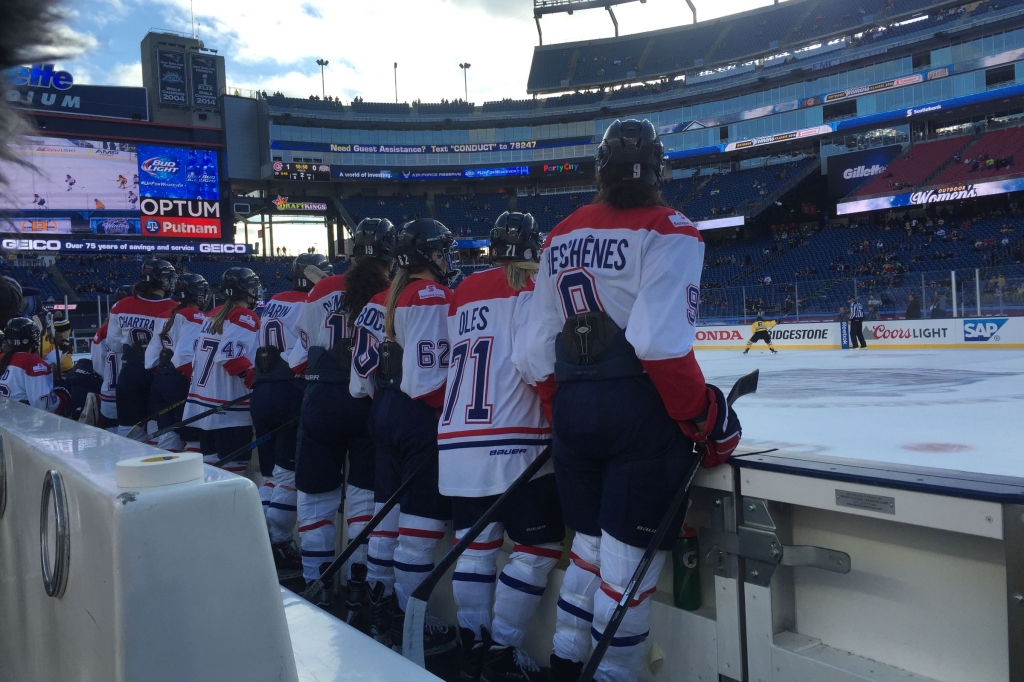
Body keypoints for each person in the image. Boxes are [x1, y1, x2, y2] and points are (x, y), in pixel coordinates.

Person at [512, 119, 741, 682]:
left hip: (573, 414)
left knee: (585, 553)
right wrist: (703, 417)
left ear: (600, 171)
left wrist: (565, 405)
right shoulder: (672, 229)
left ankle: (566, 662)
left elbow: (532, 351)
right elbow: (659, 346)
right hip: (638, 416)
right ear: (659, 168)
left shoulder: (561, 234)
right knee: (626, 574)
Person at [443, 212, 564, 682]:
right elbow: (535, 360)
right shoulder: (534, 288)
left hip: (457, 439)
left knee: (473, 550)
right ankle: (501, 650)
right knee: (537, 547)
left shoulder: (461, 292)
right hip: (516, 440)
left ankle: (472, 645)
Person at [363, 217, 459, 655]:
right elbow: (426, 380)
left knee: (385, 521)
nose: (446, 259)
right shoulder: (431, 296)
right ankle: (411, 620)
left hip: (382, 410)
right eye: (441, 251)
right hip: (418, 415)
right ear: (428, 255)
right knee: (418, 528)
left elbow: (359, 378)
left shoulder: (385, 298)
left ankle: (379, 602)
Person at [288, 220, 393, 617]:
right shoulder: (390, 292)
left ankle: (316, 583)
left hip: (320, 396)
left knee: (316, 498)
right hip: (367, 398)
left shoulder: (321, 288)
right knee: (364, 498)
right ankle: (357, 586)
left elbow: (302, 347)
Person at [252, 252, 331, 581]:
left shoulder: (272, 301)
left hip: (262, 388)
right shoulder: (311, 303)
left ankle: (258, 537)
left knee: (271, 474)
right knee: (287, 474)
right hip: (291, 387)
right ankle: (278, 541)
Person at [182, 268, 262, 471]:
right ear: (246, 290)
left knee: (209, 472)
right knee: (233, 477)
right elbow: (229, 356)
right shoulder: (246, 316)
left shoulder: (212, 314)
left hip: (203, 405)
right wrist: (255, 379)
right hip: (229, 408)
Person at [106, 260, 178, 437]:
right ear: (162, 280)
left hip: (130, 373)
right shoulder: (174, 308)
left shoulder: (121, 305)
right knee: (157, 430)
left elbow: (113, 343)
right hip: (159, 373)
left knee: (128, 430)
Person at [145, 274, 210, 452]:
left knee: (167, 439)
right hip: (180, 382)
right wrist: (194, 382)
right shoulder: (195, 316)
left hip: (160, 380)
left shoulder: (163, 316)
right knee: (192, 440)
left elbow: (150, 358)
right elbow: (184, 355)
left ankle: (164, 477)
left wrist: (163, 376)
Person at [0, 317, 68, 414]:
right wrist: (61, 395)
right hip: (20, 423)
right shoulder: (32, 362)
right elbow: (43, 406)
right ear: (34, 338)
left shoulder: (2, 358)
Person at [91, 284, 133, 432]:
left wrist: (109, 375)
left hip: (110, 392)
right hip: (134, 391)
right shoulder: (138, 327)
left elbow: (97, 365)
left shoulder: (103, 330)